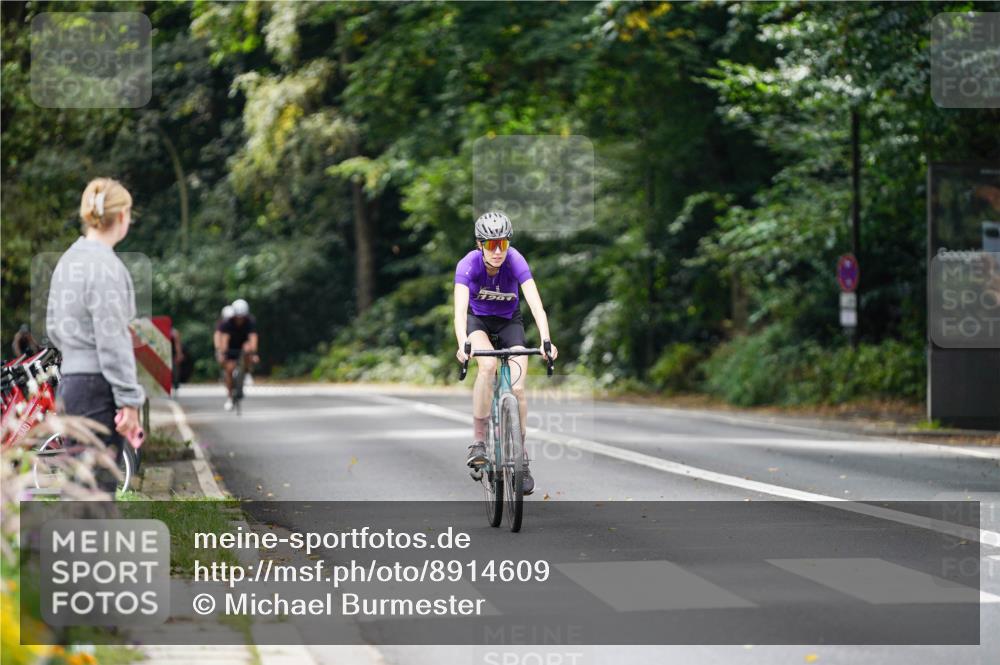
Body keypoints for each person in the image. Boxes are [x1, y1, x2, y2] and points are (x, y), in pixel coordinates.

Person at [46, 177, 145, 492]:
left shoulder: (67, 261)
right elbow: (113, 340)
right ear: (121, 216)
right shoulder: (107, 267)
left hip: (70, 384)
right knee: (98, 493)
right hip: (97, 387)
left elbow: (53, 325)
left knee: (78, 488)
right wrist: (129, 400)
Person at [453, 211, 557, 495]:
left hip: (511, 323)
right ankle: (478, 441)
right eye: (490, 245)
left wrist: (546, 340)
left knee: (519, 388)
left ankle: (521, 457)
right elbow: (460, 312)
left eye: (503, 244)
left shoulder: (516, 261)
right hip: (478, 323)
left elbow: (536, 305)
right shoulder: (467, 265)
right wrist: (463, 342)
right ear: (479, 245)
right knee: (486, 367)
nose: (498, 251)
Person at [217, 298, 259, 410]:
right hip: (230, 347)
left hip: (243, 347)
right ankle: (230, 398)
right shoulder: (227, 323)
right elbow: (224, 340)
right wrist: (223, 353)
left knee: (247, 348)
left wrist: (254, 353)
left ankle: (246, 372)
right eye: (238, 317)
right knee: (229, 370)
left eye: (242, 317)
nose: (240, 319)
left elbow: (253, 338)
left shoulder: (250, 322)